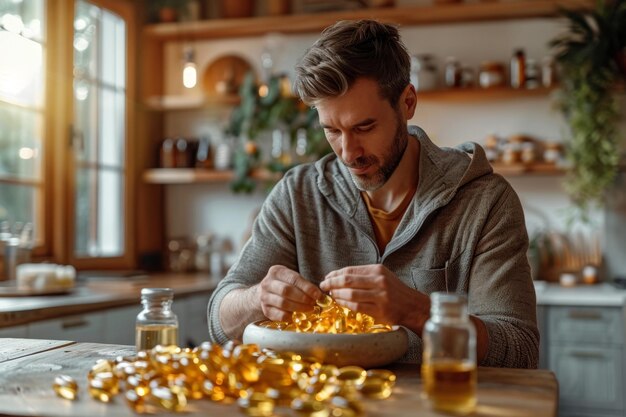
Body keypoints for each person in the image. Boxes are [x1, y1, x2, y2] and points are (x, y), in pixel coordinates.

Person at [207, 19, 539, 368]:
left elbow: (519, 350)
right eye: (332, 130)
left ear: (407, 103)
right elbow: (219, 321)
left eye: (364, 127)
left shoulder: (486, 202)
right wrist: (258, 299)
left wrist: (417, 311)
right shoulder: (296, 194)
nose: (349, 152)